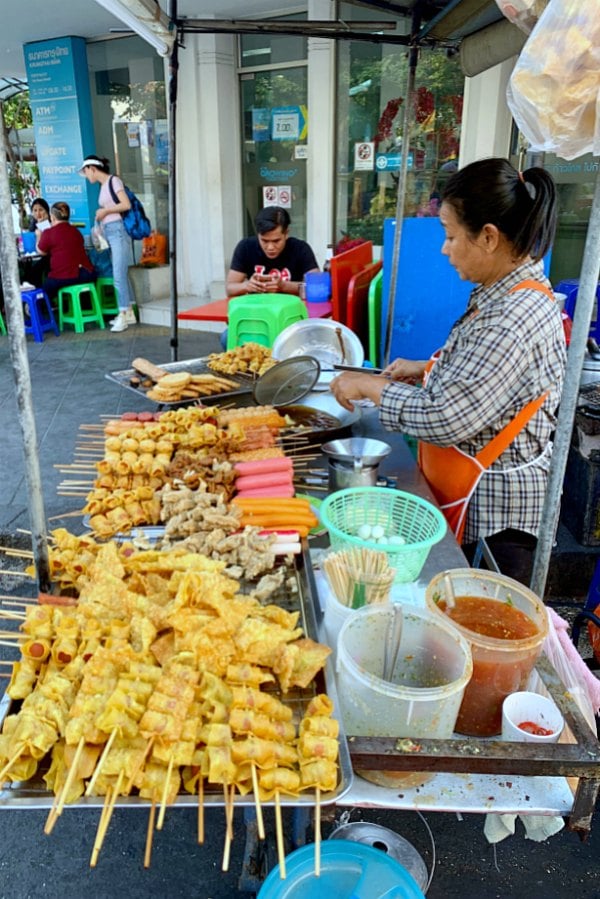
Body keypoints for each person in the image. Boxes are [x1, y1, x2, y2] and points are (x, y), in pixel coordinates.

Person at [330, 158, 567, 585]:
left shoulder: (514, 313)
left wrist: (372, 386)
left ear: (489, 238)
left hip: (498, 520)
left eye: (451, 235)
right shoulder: (503, 292)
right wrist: (427, 367)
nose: (444, 248)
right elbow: (490, 375)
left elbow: (446, 418)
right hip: (481, 500)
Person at [79, 155, 136, 333]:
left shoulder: (114, 181)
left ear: (92, 168)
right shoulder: (103, 186)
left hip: (118, 230)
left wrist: (105, 211)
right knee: (121, 273)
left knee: (118, 275)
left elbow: (125, 205)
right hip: (110, 231)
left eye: (86, 171)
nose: (86, 175)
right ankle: (129, 313)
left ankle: (123, 313)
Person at [226, 206, 319, 299]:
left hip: (291, 310)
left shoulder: (301, 249)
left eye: (276, 241)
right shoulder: (245, 247)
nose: (270, 247)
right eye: (264, 241)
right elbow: (230, 288)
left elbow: (317, 286)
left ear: (286, 233)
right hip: (255, 310)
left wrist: (284, 286)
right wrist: (247, 286)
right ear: (258, 234)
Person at [37, 202, 96, 301]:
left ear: (52, 217)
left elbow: (41, 251)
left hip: (63, 277)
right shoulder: (76, 231)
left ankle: (45, 307)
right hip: (86, 275)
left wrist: (38, 235)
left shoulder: (49, 233)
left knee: (47, 285)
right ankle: (83, 306)